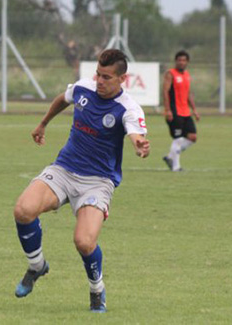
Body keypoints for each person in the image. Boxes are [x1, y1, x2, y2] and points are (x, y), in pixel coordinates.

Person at [12, 49, 150, 313]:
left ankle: (97, 290)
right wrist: (43, 124)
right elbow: (63, 99)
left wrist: (139, 144)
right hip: (64, 169)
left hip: (98, 181)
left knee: (84, 242)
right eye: (98, 73)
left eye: (107, 77)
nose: (99, 80)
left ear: (122, 79)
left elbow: (135, 133)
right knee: (23, 209)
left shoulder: (128, 108)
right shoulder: (83, 88)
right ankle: (37, 266)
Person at [162, 50, 199, 172]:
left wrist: (194, 109)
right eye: (179, 60)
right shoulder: (170, 74)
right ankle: (176, 167)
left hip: (186, 112)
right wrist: (167, 110)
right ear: (176, 61)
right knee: (178, 139)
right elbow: (165, 92)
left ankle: (170, 157)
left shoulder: (187, 75)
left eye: (184, 60)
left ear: (187, 62)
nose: (181, 62)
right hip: (174, 111)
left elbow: (188, 94)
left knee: (192, 137)